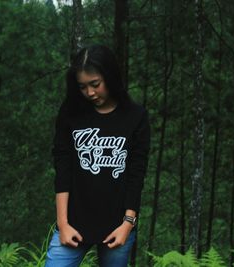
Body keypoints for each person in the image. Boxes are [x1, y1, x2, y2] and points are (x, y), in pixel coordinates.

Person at [45, 44, 151, 267]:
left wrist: (127, 224)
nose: (90, 93)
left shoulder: (136, 117)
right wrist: (62, 224)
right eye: (82, 87)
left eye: (95, 84)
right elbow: (63, 169)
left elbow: (136, 174)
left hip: (117, 227)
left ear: (110, 77)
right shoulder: (71, 113)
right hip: (74, 223)